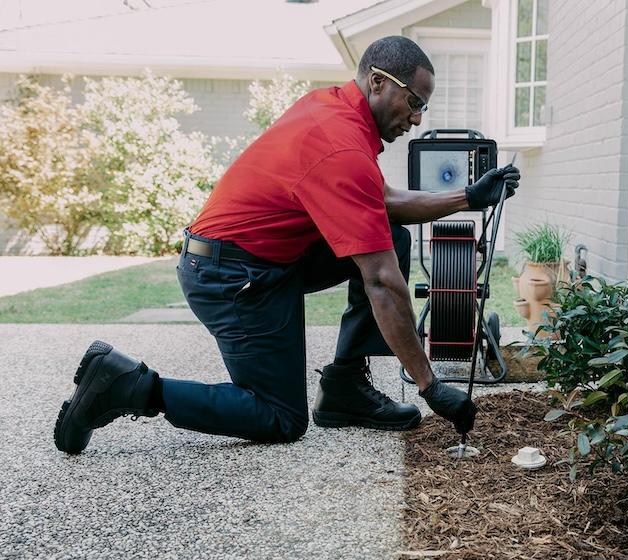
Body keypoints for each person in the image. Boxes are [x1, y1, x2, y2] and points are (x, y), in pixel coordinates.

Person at [53, 36, 520, 454]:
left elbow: (383, 202)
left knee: (390, 235)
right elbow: (380, 281)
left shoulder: (334, 109)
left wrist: (468, 198)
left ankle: (344, 390)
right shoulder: (341, 147)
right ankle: (130, 386)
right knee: (279, 418)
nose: (417, 118)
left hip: (261, 259)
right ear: (379, 82)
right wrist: (429, 384)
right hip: (230, 277)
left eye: (424, 106)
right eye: (413, 100)